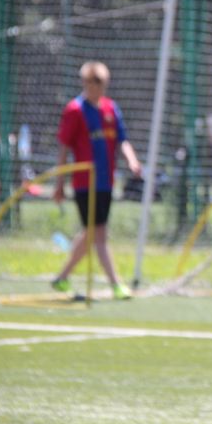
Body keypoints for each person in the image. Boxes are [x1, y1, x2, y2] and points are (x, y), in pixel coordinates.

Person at [51, 61, 142, 300]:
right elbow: (63, 148)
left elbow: (122, 140)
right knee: (99, 234)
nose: (98, 89)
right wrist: (59, 184)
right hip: (84, 183)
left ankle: (62, 278)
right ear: (85, 83)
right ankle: (116, 284)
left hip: (106, 182)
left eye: (101, 84)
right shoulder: (75, 110)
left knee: (91, 233)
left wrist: (132, 160)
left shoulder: (111, 108)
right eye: (93, 84)